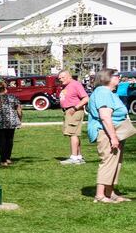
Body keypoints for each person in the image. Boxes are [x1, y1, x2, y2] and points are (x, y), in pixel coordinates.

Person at [88, 69, 134, 202]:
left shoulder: (109, 92)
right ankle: (100, 195)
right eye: (116, 75)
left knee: (115, 162)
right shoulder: (103, 92)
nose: (119, 77)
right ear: (106, 78)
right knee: (108, 161)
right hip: (107, 132)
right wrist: (113, 137)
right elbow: (105, 116)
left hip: (115, 131)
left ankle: (110, 193)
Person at [57, 68, 89, 165]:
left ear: (69, 76)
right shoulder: (66, 86)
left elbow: (86, 98)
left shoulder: (75, 84)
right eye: (59, 78)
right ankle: (79, 157)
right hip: (68, 111)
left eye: (63, 77)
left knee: (73, 134)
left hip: (74, 111)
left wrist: (75, 108)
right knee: (74, 133)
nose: (61, 79)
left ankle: (74, 158)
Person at [0, 79, 22, 166]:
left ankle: (3, 159)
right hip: (11, 121)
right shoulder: (12, 97)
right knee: (9, 140)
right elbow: (19, 109)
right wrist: (20, 120)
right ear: (5, 88)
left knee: (1, 141)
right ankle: (8, 158)